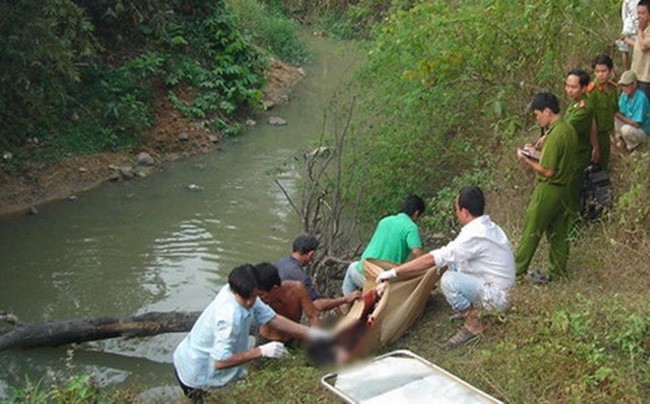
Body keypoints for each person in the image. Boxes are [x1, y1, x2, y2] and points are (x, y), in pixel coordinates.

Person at [376, 186, 515, 347]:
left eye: (456, 209)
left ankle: (473, 323)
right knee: (452, 265)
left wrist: (394, 272)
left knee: (449, 280)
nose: (456, 213)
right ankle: (474, 310)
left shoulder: (475, 234)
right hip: (495, 285)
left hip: (497, 297)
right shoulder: (487, 226)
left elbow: (434, 258)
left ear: (464, 212)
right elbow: (449, 256)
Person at [172, 264, 329, 401]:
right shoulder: (230, 317)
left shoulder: (241, 290)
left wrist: (312, 333)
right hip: (198, 373)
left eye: (255, 296)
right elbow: (220, 362)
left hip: (188, 357)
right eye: (246, 298)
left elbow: (273, 319)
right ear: (236, 291)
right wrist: (261, 350)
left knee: (191, 398)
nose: (250, 302)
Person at [515, 92, 577, 283]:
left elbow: (548, 170)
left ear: (547, 111)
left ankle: (516, 271)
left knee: (532, 230)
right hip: (565, 189)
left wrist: (526, 159)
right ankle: (558, 272)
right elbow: (554, 158)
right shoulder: (567, 129)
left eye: (537, 114)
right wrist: (534, 152)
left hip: (549, 189)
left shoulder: (555, 134)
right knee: (559, 233)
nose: (537, 118)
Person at [341, 194, 426, 295]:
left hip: (365, 272)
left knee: (352, 267)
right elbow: (418, 253)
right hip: (386, 279)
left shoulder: (384, 221)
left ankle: (347, 305)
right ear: (416, 213)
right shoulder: (411, 227)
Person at [275, 235, 361, 311]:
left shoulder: (278, 263)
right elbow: (318, 305)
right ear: (310, 254)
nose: (312, 260)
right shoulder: (300, 276)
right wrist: (345, 299)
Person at [562, 68, 599, 214]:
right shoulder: (576, 103)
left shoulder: (584, 109)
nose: (569, 90)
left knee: (572, 193)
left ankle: (573, 224)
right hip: (574, 153)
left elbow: (564, 128)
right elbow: (593, 125)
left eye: (573, 87)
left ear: (584, 88)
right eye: (567, 86)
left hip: (578, 155)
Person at [255, 262, 320, 343]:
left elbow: (313, 316)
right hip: (267, 339)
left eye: (261, 294)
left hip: (292, 339)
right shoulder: (258, 302)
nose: (259, 298)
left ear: (274, 288)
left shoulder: (297, 289)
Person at [586, 54, 619, 170]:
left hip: (606, 134)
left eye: (604, 71)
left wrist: (614, 138)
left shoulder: (613, 89)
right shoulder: (591, 92)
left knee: (604, 167)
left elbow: (613, 113)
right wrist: (595, 146)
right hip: (594, 136)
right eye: (597, 71)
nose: (601, 74)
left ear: (610, 71)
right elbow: (591, 121)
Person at [615, 70, 650, 151]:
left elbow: (637, 124)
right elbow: (620, 112)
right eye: (622, 85)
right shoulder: (624, 95)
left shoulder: (641, 98)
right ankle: (621, 140)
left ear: (634, 84)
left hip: (642, 130)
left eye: (626, 85)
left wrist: (618, 115)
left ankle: (634, 146)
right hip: (629, 123)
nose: (624, 88)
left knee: (626, 130)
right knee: (614, 118)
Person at [624, 0, 650, 100]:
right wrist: (626, 40)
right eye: (638, 13)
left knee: (644, 105)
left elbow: (643, 46)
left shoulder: (643, 29)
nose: (640, 16)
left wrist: (639, 29)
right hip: (636, 74)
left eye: (643, 13)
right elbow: (639, 45)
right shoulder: (644, 29)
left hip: (646, 77)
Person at [618, 0, 638, 70]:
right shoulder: (627, 1)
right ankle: (626, 71)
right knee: (624, 49)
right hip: (629, 27)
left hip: (640, 27)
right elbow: (624, 15)